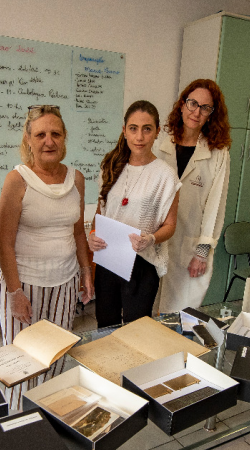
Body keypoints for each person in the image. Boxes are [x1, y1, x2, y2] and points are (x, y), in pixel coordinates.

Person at [0, 105, 93, 406]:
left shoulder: (76, 179)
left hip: (64, 283)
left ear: (65, 139)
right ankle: (17, 419)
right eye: (40, 134)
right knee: (23, 362)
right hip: (26, 285)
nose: (48, 141)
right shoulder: (18, 179)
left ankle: (48, 413)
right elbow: (3, 242)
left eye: (56, 134)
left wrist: (86, 273)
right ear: (28, 140)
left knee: (56, 355)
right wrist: (14, 292)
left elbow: (78, 233)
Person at [88, 101, 181, 327]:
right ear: (124, 131)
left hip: (142, 262)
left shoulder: (166, 176)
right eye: (133, 128)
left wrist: (151, 239)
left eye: (147, 129)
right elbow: (100, 211)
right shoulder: (111, 166)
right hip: (109, 259)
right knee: (105, 325)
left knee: (136, 329)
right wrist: (91, 233)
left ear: (157, 132)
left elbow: (170, 225)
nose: (139, 136)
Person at [154, 79, 231, 313]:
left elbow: (215, 205)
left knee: (181, 313)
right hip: (156, 241)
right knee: (149, 312)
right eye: (192, 103)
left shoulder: (218, 153)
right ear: (182, 105)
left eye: (205, 108)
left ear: (212, 114)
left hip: (190, 248)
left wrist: (202, 252)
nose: (196, 112)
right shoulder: (161, 145)